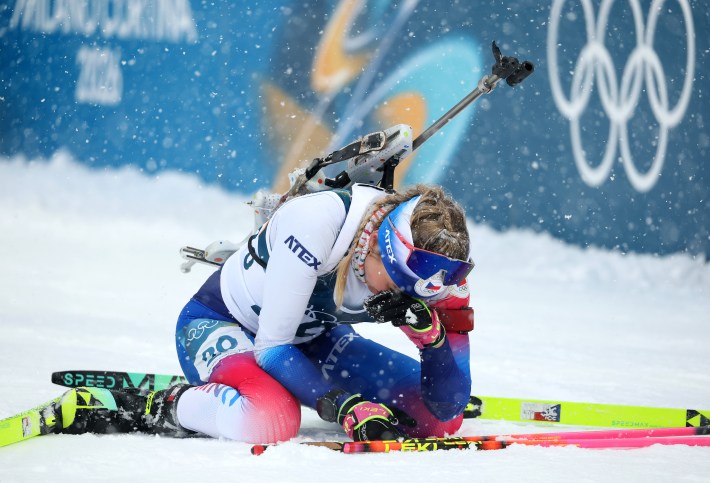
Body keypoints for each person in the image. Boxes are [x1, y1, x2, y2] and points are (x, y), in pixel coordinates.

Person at [38, 183, 475, 444]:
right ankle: (161, 405)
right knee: (272, 419)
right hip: (224, 325)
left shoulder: (439, 271)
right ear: (379, 240)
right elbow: (272, 349)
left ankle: (228, 391)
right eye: (396, 277)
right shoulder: (318, 223)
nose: (402, 292)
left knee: (438, 422)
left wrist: (432, 341)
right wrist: (344, 405)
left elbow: (447, 403)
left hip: (312, 340)